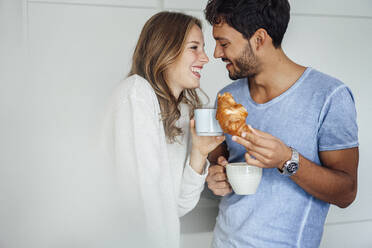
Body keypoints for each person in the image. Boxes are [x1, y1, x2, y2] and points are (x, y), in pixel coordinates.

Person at [203, 0, 359, 247]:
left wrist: (287, 159)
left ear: (259, 39)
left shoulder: (329, 96)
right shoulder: (227, 97)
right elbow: (217, 162)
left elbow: (346, 193)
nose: (216, 53)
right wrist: (215, 176)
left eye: (224, 43)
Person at [103, 11, 224, 248]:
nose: (205, 58)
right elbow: (144, 201)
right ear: (165, 49)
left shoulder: (180, 113)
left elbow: (176, 206)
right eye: (194, 47)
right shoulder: (136, 92)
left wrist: (198, 154)